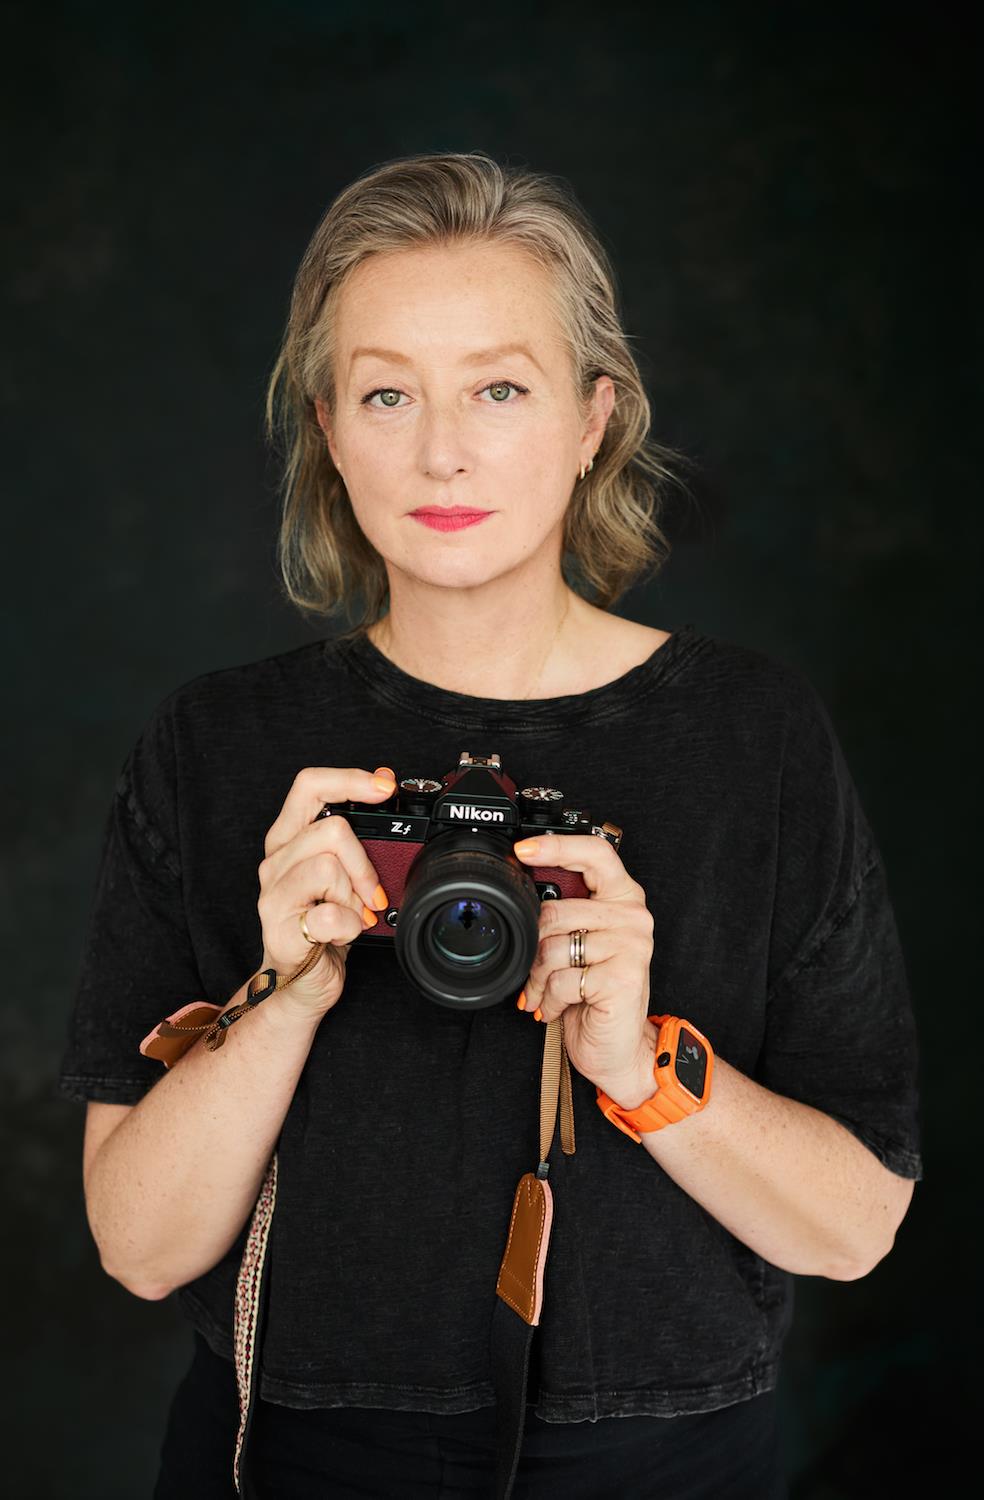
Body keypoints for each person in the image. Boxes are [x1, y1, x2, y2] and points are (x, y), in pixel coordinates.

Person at [57, 151, 922, 1500]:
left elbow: (856, 1228)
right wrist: (284, 994)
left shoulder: (751, 738)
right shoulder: (216, 747)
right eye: (386, 393)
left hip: (668, 1465)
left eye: (499, 389)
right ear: (328, 429)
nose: (441, 451)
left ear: (595, 418)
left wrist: (638, 1062)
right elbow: (140, 1247)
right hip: (292, 1458)